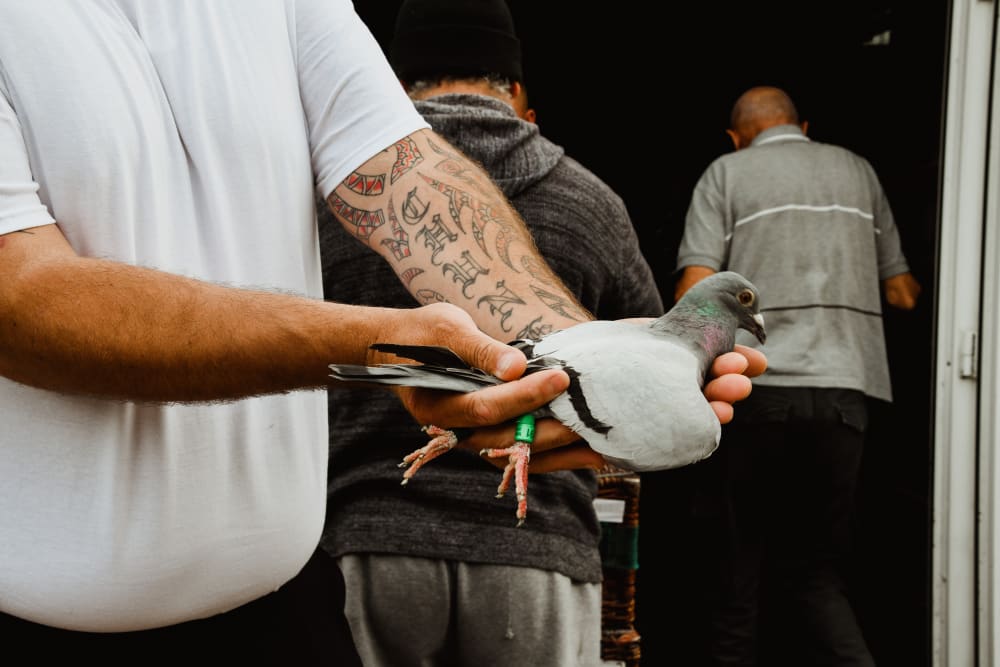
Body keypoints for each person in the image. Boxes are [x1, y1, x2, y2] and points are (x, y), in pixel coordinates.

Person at [0, 2, 761, 664]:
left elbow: (400, 172)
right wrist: (377, 347)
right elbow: (20, 298)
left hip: (288, 614)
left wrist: (577, 359)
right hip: (37, 633)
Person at [319, 1, 666, 665]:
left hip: (370, 541)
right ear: (514, 89)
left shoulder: (337, 197)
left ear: (396, 85)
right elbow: (641, 381)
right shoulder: (592, 202)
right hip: (536, 548)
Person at [674, 85, 922, 666]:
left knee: (736, 574)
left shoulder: (726, 172)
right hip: (845, 397)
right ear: (803, 126)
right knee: (816, 574)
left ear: (737, 136)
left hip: (756, 395)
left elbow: (692, 290)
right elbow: (902, 293)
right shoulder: (858, 171)